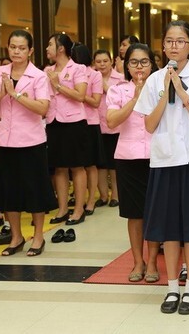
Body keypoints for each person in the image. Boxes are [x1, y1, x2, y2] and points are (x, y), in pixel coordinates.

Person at [133, 20, 189, 315]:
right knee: (169, 227)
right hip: (164, 159)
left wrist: (183, 94)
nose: (174, 46)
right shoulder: (155, 79)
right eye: (169, 41)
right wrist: (166, 90)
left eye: (180, 41)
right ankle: (172, 287)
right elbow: (149, 124)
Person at [0, 29, 57, 256]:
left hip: (31, 140)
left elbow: (43, 108)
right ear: (8, 48)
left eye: (22, 48)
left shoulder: (39, 76)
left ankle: (39, 236)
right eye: (13, 47)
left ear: (31, 51)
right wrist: (1, 94)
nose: (17, 51)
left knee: (34, 189)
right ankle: (16, 236)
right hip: (5, 139)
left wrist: (16, 95)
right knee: (9, 191)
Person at [106, 43, 160, 283]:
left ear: (152, 64)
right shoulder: (118, 90)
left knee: (155, 212)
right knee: (134, 214)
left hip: (158, 157)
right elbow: (111, 122)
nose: (139, 67)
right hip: (128, 156)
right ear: (126, 66)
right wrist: (135, 100)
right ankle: (138, 261)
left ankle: (153, 261)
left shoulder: (162, 88)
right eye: (134, 62)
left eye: (144, 62)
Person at [44, 33, 89, 226]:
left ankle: (79, 209)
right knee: (59, 167)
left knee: (77, 166)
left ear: (61, 48)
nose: (47, 49)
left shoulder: (78, 69)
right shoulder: (47, 70)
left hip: (74, 123)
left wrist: (58, 85)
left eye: (50, 45)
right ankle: (62, 209)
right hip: (53, 122)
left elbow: (80, 96)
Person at [71, 44, 103, 215]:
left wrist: (79, 95)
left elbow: (97, 101)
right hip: (73, 123)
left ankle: (91, 201)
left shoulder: (95, 74)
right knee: (76, 165)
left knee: (90, 164)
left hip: (90, 122)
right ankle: (79, 200)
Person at [94, 50, 123, 208]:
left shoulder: (120, 78)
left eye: (105, 61)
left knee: (114, 165)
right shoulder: (90, 77)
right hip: (96, 125)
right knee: (101, 164)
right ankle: (103, 196)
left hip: (115, 126)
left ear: (111, 61)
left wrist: (103, 85)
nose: (102, 64)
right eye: (98, 61)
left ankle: (116, 196)